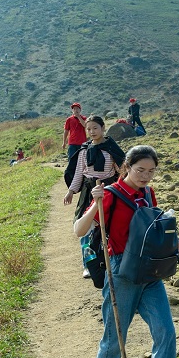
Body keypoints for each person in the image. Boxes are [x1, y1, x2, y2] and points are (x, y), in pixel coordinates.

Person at [72, 145, 179, 358]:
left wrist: (176, 241)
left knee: (165, 331)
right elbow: (79, 229)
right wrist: (95, 203)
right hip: (121, 273)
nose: (146, 176)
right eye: (140, 170)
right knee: (115, 336)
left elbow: (152, 229)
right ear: (126, 167)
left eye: (151, 171)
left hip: (149, 272)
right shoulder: (111, 195)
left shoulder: (149, 193)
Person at [64, 115, 126, 277]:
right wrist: (71, 191)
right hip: (88, 192)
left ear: (103, 128)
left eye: (95, 128)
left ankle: (112, 262)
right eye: (88, 129)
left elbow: (121, 170)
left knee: (111, 226)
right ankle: (88, 265)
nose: (92, 132)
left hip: (109, 191)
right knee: (86, 228)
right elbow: (79, 173)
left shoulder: (111, 147)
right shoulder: (84, 150)